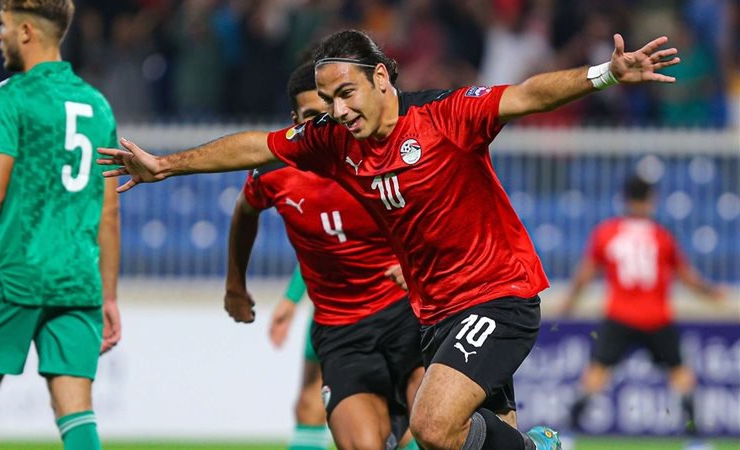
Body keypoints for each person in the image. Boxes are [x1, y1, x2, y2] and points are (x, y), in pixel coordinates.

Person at [98, 29, 680, 450]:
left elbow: (527, 95)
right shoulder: (333, 142)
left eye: (346, 93)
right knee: (475, 440)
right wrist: (166, 165)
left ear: (380, 77)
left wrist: (606, 74)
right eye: (328, 100)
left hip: (497, 296)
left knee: (431, 428)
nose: (337, 110)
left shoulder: (446, 117)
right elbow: (256, 146)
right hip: (435, 313)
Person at [0, 1, 122, 449]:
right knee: (76, 409)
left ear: (25, 31)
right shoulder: (98, 106)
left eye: (2, 26)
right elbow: (109, 212)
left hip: (17, 274)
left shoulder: (10, 96)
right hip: (79, 281)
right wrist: (109, 295)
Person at [224, 62, 423, 450]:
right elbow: (245, 210)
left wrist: (413, 260)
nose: (322, 125)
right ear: (294, 121)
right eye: (310, 116)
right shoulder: (274, 171)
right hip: (341, 329)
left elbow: (437, 214)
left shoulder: (378, 155)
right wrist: (236, 285)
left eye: (329, 112)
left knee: (434, 425)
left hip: (404, 312)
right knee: (334, 423)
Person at [559, 176, 725, 437]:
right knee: (680, 373)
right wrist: (711, 292)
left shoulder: (607, 232)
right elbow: (686, 276)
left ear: (625, 198)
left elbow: (586, 274)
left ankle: (568, 433)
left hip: (619, 315)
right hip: (656, 317)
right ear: (651, 199)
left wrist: (569, 302)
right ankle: (695, 438)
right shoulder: (662, 235)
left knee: (596, 373)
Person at [269, 266, 331, 450]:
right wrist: (291, 298)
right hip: (330, 304)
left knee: (392, 409)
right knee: (308, 406)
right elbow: (317, 248)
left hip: (385, 300)